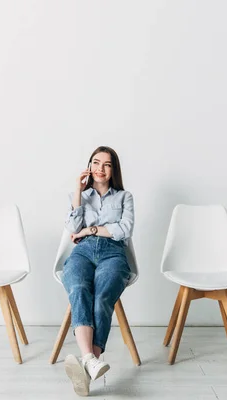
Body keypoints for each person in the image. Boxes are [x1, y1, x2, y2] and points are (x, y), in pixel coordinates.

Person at [62, 146, 134, 396]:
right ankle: (90, 361)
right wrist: (79, 192)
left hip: (113, 253)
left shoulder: (124, 197)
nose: (100, 169)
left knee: (102, 295)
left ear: (113, 169)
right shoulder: (79, 195)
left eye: (106, 164)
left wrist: (90, 230)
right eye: (95, 162)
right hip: (82, 252)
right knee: (80, 288)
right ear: (89, 166)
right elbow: (72, 228)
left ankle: (87, 363)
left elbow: (124, 230)